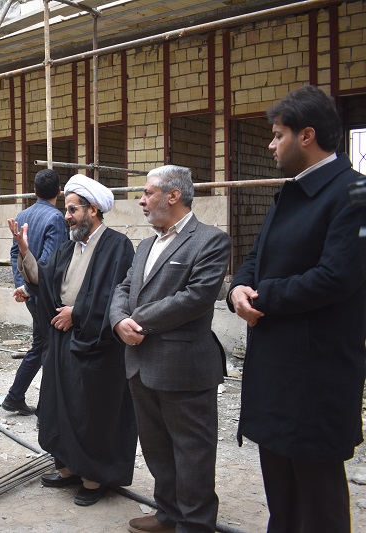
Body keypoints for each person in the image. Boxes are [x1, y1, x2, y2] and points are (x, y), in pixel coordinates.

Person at [228, 85, 366, 533]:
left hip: (316, 373)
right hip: (276, 369)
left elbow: (336, 277)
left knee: (318, 500)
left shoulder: (354, 192)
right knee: (281, 494)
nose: (271, 145)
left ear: (306, 136)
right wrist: (238, 288)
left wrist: (262, 296)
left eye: (277, 135)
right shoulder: (292, 192)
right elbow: (256, 255)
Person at [110, 165, 231, 533]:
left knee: (192, 451)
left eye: (147, 193)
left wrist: (137, 322)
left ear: (173, 195)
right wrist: (118, 320)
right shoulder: (145, 245)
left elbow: (196, 297)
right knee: (156, 446)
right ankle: (168, 514)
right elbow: (123, 288)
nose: (141, 201)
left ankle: (195, 524)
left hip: (184, 366)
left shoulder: (210, 240)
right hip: (140, 363)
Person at [9, 174, 137, 507]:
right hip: (64, 340)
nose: (66, 216)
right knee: (59, 405)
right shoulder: (69, 247)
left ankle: (94, 478)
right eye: (66, 210)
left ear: (93, 209)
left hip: (97, 345)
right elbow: (46, 279)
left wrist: (76, 314)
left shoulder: (117, 246)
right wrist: (24, 251)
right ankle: (67, 468)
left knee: (90, 411)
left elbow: (115, 295)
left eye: (72, 210)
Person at [2, 168, 68, 416]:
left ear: (34, 191)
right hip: (46, 295)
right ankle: (41, 406)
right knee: (48, 348)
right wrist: (28, 288)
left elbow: (14, 253)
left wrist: (21, 285)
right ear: (59, 192)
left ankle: (16, 396)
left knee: (41, 345)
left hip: (31, 294)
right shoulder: (56, 218)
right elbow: (50, 262)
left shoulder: (23, 214)